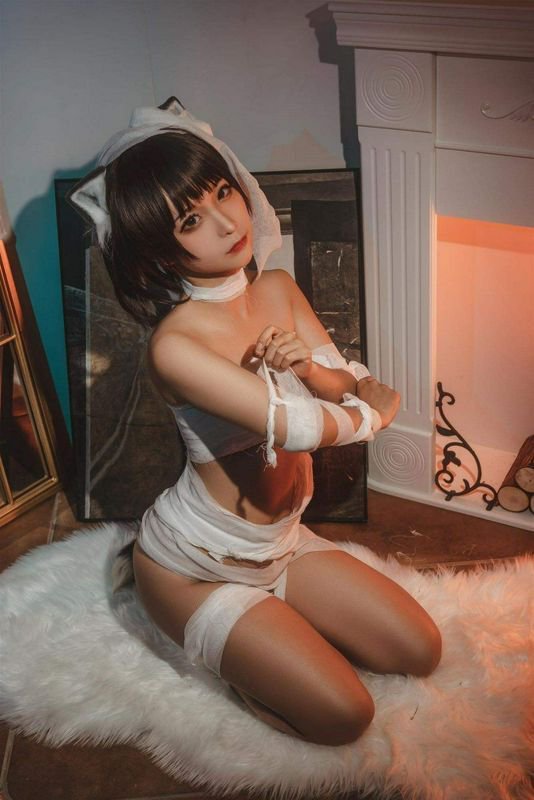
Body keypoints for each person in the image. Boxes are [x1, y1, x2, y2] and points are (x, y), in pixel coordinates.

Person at [68, 97, 441, 747]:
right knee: (344, 717)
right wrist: (372, 411)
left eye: (222, 191)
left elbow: (340, 383)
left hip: (284, 544)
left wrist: (314, 370)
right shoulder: (176, 345)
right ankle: (234, 661)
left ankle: (274, 627)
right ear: (158, 249)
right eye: (190, 219)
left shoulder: (276, 289)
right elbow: (304, 427)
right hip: (197, 566)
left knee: (422, 651)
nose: (225, 222)